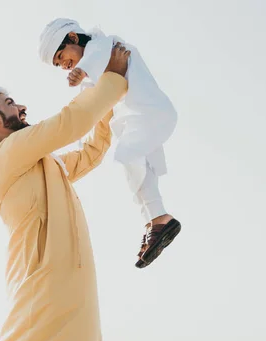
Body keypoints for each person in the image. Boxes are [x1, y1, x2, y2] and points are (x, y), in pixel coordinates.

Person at [0, 43, 130, 341]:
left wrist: (104, 100)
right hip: (44, 284)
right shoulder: (5, 156)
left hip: (75, 287)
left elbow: (91, 153)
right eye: (9, 104)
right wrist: (113, 77)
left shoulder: (41, 164)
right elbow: (72, 122)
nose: (21, 108)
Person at [39, 18, 181, 268]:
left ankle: (158, 218)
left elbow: (98, 57)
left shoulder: (105, 44)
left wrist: (81, 70)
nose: (63, 65)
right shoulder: (95, 67)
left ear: (73, 37)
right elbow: (91, 102)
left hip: (149, 113)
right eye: (59, 64)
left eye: (61, 56)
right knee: (135, 169)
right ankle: (154, 221)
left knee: (127, 157)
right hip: (140, 120)